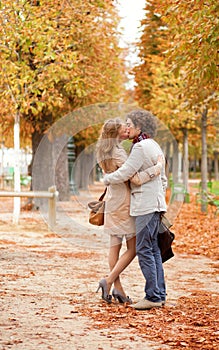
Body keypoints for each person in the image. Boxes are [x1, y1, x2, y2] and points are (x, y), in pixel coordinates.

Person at [103, 110, 167, 309]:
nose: (127, 127)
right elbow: (162, 179)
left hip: (144, 206)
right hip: (155, 204)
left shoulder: (139, 147)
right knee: (153, 249)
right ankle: (159, 294)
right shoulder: (154, 145)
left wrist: (106, 179)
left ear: (140, 127)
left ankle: (153, 297)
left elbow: (126, 173)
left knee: (144, 250)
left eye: (130, 124)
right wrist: (158, 195)